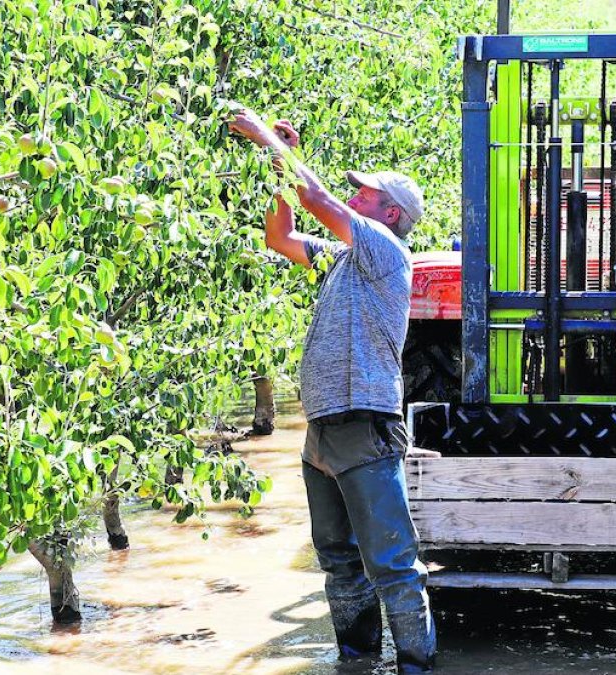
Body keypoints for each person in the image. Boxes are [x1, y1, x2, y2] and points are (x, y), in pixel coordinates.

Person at [228, 107, 436, 673]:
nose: (356, 200)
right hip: (323, 430)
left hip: (362, 423)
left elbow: (319, 202)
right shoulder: (346, 258)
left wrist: (270, 140)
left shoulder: (385, 252)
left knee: (391, 564)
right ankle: (357, 661)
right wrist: (278, 172)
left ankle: (417, 665)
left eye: (365, 196)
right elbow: (281, 237)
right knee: (339, 561)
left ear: (389, 213)